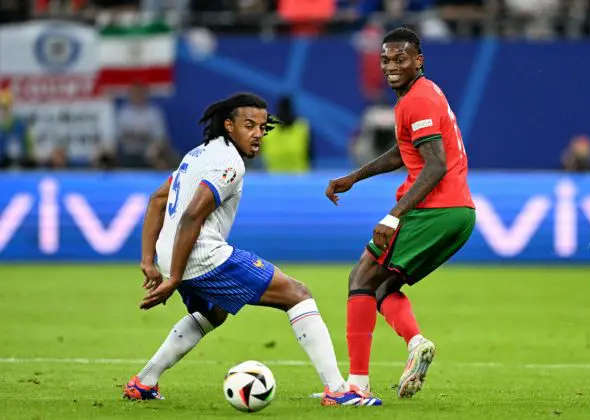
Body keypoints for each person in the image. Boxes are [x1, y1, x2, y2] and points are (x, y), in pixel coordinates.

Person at [123, 93, 381, 407]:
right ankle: (339, 391)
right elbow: (192, 215)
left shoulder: (197, 153)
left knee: (212, 313)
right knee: (298, 294)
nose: (258, 133)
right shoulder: (229, 162)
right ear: (229, 126)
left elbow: (158, 200)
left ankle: (144, 383)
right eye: (249, 125)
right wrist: (175, 277)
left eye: (263, 127)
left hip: (172, 252)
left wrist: (150, 260)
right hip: (199, 255)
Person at [325, 27, 476, 398]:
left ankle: (356, 387)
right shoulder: (419, 96)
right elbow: (401, 152)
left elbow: (435, 164)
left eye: (401, 59)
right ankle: (416, 343)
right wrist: (355, 177)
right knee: (380, 287)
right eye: (386, 60)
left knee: (361, 277)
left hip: (435, 208)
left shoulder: (418, 99)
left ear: (419, 61)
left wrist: (393, 216)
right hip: (457, 213)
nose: (392, 66)